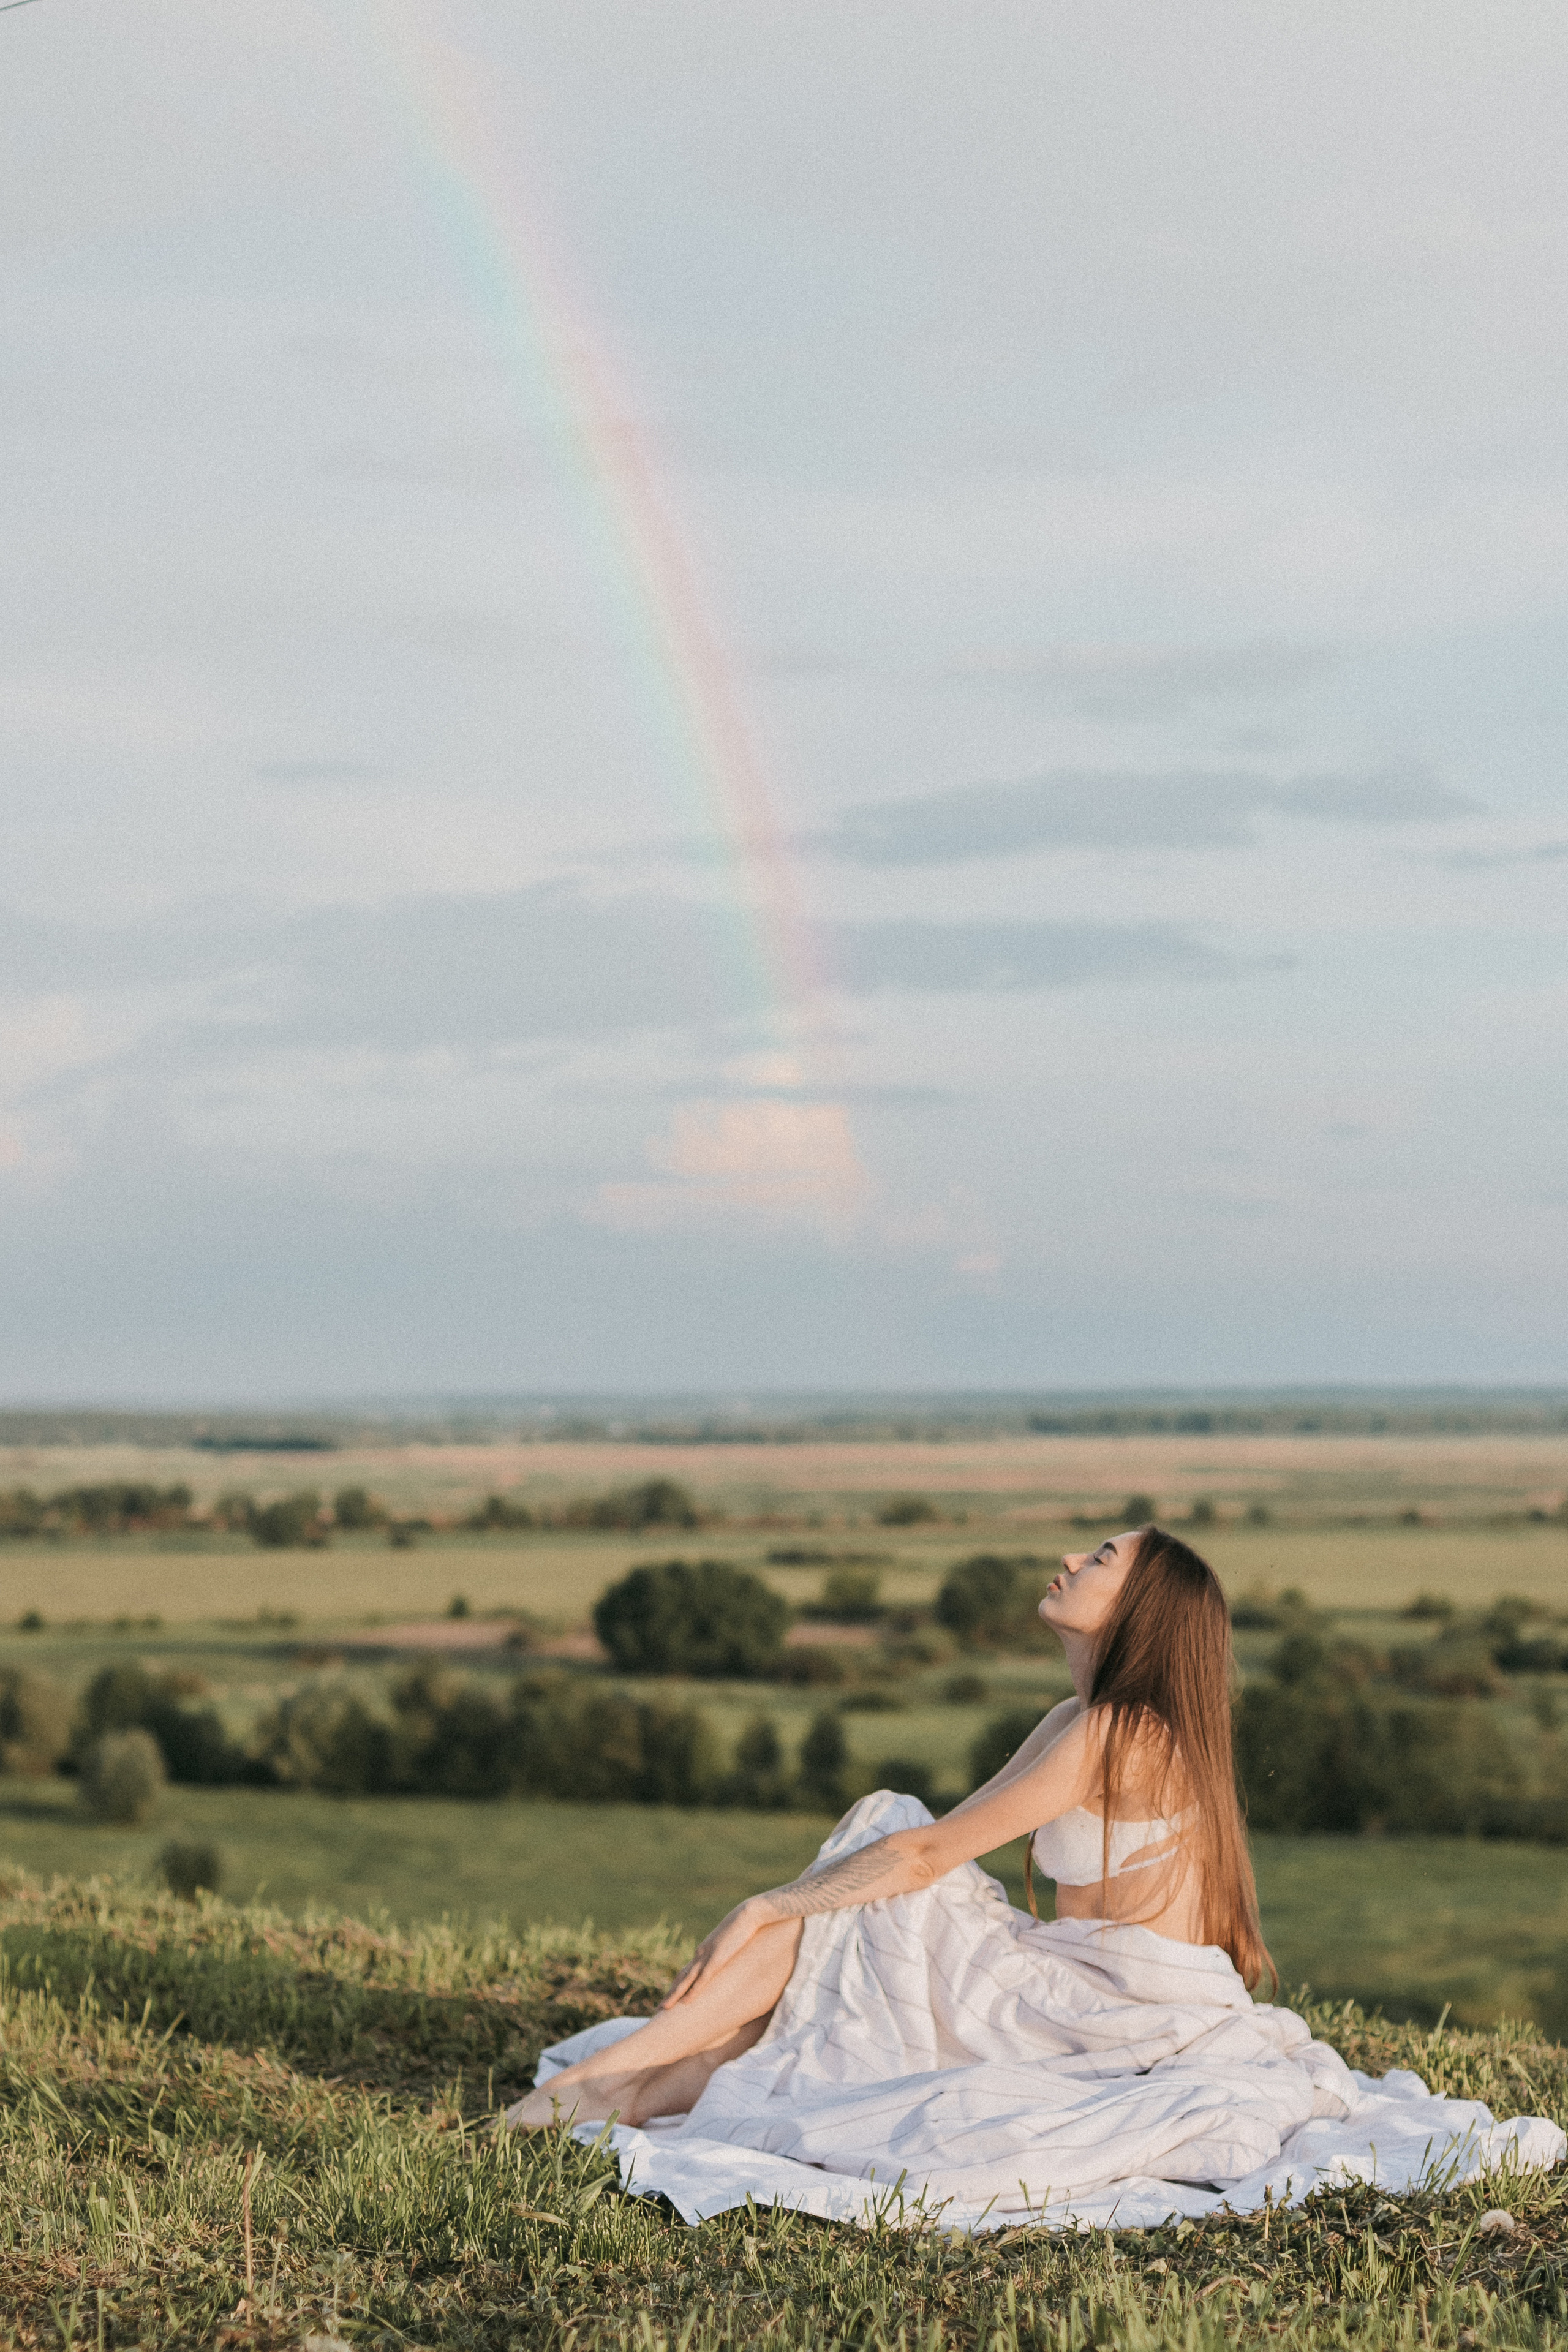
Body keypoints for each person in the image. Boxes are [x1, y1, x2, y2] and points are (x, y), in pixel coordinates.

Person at [505, 1521, 1270, 2131]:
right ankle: (619, 2095)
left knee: (882, 1849)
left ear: (1141, 1609)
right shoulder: (1082, 1719)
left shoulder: (1124, 1736)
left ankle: (592, 2088)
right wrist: (811, 1906)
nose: (1070, 1557)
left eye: (1100, 1557)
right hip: (1073, 1991)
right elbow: (943, 1841)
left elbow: (925, 1856)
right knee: (842, 1935)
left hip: (1109, 2019)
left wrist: (766, 1906)